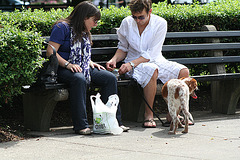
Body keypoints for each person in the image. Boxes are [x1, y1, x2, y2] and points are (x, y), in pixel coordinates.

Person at [46, 1, 129, 135]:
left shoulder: (84, 30)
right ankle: (81, 125)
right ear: (84, 17)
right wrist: (69, 65)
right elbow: (51, 52)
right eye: (94, 20)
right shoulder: (62, 28)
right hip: (62, 68)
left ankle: (114, 122)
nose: (96, 24)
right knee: (79, 79)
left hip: (82, 66)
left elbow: (81, 53)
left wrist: (89, 62)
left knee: (109, 78)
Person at [106, 0, 189, 128]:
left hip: (155, 59)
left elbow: (152, 53)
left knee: (183, 71)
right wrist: (114, 59)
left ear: (150, 12)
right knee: (152, 70)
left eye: (141, 17)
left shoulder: (160, 23)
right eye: (134, 17)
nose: (137, 20)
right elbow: (123, 48)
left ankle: (172, 114)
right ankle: (148, 116)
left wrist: (131, 64)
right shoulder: (127, 23)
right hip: (134, 63)